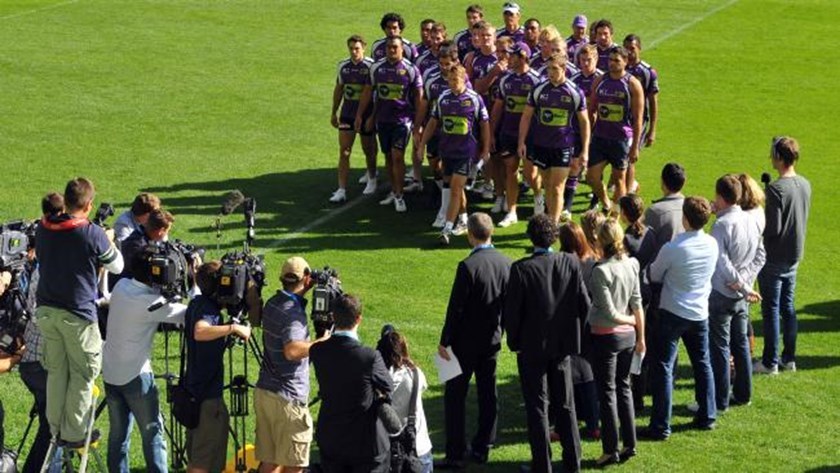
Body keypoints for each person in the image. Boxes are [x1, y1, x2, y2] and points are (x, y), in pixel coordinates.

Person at [36, 177, 124, 447]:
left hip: (47, 312)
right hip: (77, 315)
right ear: (88, 205)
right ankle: (74, 434)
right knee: (83, 375)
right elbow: (117, 266)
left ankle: (55, 429)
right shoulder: (90, 232)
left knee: (57, 372)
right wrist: (108, 240)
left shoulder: (43, 227)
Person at [504, 214, 590, 473]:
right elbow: (584, 305)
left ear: (531, 238)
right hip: (562, 347)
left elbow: (512, 314)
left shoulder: (521, 269)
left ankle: (543, 465)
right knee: (565, 405)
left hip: (533, 349)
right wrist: (575, 333)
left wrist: (516, 342)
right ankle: (572, 462)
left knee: (537, 407)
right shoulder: (570, 263)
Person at [103, 252, 190, 472]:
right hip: (135, 376)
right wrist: (194, 279)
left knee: (118, 436)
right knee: (153, 433)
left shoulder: (122, 286)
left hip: (110, 372)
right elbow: (189, 315)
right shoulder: (151, 304)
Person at [641, 197, 718, 440]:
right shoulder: (711, 244)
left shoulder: (673, 248)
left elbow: (654, 273)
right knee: (702, 364)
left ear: (685, 218)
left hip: (673, 312)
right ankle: (708, 415)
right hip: (699, 313)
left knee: (663, 367)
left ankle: (661, 425)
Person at [437, 212, 510, 467]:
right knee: (488, 393)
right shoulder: (506, 263)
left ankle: (456, 452)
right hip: (491, 340)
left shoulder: (468, 266)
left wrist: (444, 341)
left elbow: (456, 308)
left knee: (455, 396)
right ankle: (484, 445)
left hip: (464, 344)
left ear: (470, 234)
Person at [253, 256, 330, 473]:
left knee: (270, 462)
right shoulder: (293, 311)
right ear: (306, 279)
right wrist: (320, 342)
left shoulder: (273, 303)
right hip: (287, 400)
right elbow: (292, 350)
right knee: (294, 466)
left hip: (266, 393)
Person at [310, 294, 393, 472]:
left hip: (331, 437)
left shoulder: (317, 351)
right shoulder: (369, 356)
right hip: (363, 443)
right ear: (359, 319)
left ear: (333, 317)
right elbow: (388, 385)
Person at [183, 262, 251, 473]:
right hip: (207, 398)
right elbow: (200, 331)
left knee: (201, 457)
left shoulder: (197, 302)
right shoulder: (208, 309)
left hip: (195, 391)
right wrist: (233, 328)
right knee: (203, 461)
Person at [587, 219, 644, 466]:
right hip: (627, 337)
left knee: (608, 392)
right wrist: (640, 335)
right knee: (623, 388)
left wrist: (632, 323)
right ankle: (629, 443)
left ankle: (611, 449)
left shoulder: (601, 270)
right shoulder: (631, 264)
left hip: (607, 337)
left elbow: (611, 313)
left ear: (601, 240)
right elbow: (637, 302)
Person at [708, 175, 764, 412]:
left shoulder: (721, 226)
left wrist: (740, 283)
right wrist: (746, 283)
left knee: (720, 348)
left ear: (721, 197)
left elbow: (721, 262)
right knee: (740, 344)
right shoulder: (751, 219)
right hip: (740, 295)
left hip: (723, 293)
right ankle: (743, 394)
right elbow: (761, 255)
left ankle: (720, 401)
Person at [756, 136, 811, 374]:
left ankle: (770, 361)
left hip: (775, 256)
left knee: (771, 309)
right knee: (788, 307)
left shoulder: (777, 189)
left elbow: (774, 228)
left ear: (778, 157)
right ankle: (789, 358)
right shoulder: (805, 184)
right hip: (794, 254)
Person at [420, 65, 490, 245]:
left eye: (456, 80)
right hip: (447, 151)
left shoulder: (474, 99)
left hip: (466, 152)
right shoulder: (443, 98)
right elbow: (433, 122)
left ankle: (447, 229)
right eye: (450, 80)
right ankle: (464, 218)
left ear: (464, 79)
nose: (452, 84)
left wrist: (485, 149)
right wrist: (421, 144)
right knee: (454, 187)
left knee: (455, 189)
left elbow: (484, 125)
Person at [520, 53, 590, 225]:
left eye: (555, 69)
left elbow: (584, 122)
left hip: (563, 146)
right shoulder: (539, 89)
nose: (550, 72)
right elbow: (526, 116)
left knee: (558, 188)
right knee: (548, 186)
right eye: (548, 69)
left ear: (564, 69)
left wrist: (585, 150)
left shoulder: (574, 92)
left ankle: (553, 226)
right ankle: (551, 220)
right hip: (542, 145)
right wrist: (521, 141)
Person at [357, 35, 424, 213]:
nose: (392, 50)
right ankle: (394, 191)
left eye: (395, 47)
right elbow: (371, 92)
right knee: (387, 157)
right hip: (383, 119)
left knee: (397, 155)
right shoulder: (377, 68)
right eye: (389, 47)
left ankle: (400, 195)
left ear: (402, 49)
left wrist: (418, 124)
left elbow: (419, 98)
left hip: (403, 120)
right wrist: (364, 116)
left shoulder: (410, 70)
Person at [490, 42, 541, 227]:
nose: (508, 58)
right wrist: (492, 133)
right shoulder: (506, 79)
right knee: (510, 170)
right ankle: (512, 211)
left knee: (529, 173)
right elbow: (498, 108)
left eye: (512, 55)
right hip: (508, 132)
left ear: (523, 57)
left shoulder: (536, 81)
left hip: (530, 136)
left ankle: (538, 196)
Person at [586, 46, 644, 212]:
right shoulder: (600, 80)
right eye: (610, 60)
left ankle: (615, 216)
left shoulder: (632, 84)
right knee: (591, 177)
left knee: (619, 179)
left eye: (616, 61)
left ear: (625, 62)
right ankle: (605, 202)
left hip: (621, 139)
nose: (612, 64)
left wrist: (634, 147)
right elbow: (591, 110)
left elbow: (638, 118)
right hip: (600, 137)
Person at [557, 222, 600, 441]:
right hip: (590, 324)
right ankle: (593, 423)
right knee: (587, 373)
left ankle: (567, 424)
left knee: (568, 375)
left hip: (570, 324)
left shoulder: (563, 262)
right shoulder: (593, 261)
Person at [377, 327, 433, 473]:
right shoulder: (416, 375)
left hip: (389, 451)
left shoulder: (377, 380)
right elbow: (423, 387)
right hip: (419, 448)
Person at [330, 35, 378, 202]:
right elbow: (339, 89)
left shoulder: (371, 66)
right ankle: (341, 189)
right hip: (347, 114)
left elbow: (374, 93)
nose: (354, 51)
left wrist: (372, 116)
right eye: (351, 48)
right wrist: (334, 112)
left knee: (368, 149)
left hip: (365, 115)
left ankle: (372, 178)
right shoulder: (343, 66)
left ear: (363, 48)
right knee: (344, 151)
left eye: (357, 48)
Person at [566, 44, 603, 213]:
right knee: (574, 165)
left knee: (595, 169)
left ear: (596, 59)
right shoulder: (574, 80)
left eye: (589, 60)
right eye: (583, 60)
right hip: (577, 129)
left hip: (599, 132)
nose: (586, 63)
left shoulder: (603, 79)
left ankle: (596, 201)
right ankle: (567, 206)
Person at [623, 34, 659, 195]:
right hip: (619, 120)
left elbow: (653, 101)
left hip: (638, 120)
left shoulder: (647, 72)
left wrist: (652, 129)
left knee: (630, 156)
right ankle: (630, 184)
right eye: (626, 49)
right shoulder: (619, 68)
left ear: (639, 49)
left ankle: (628, 194)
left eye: (632, 49)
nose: (629, 52)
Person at [119, 208, 174, 282]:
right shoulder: (137, 246)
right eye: (167, 231)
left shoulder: (143, 235)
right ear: (160, 231)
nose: (167, 234)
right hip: (126, 285)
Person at [644, 162, 686, 254]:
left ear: (662, 181)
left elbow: (640, 244)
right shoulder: (691, 207)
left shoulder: (655, 211)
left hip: (659, 266)